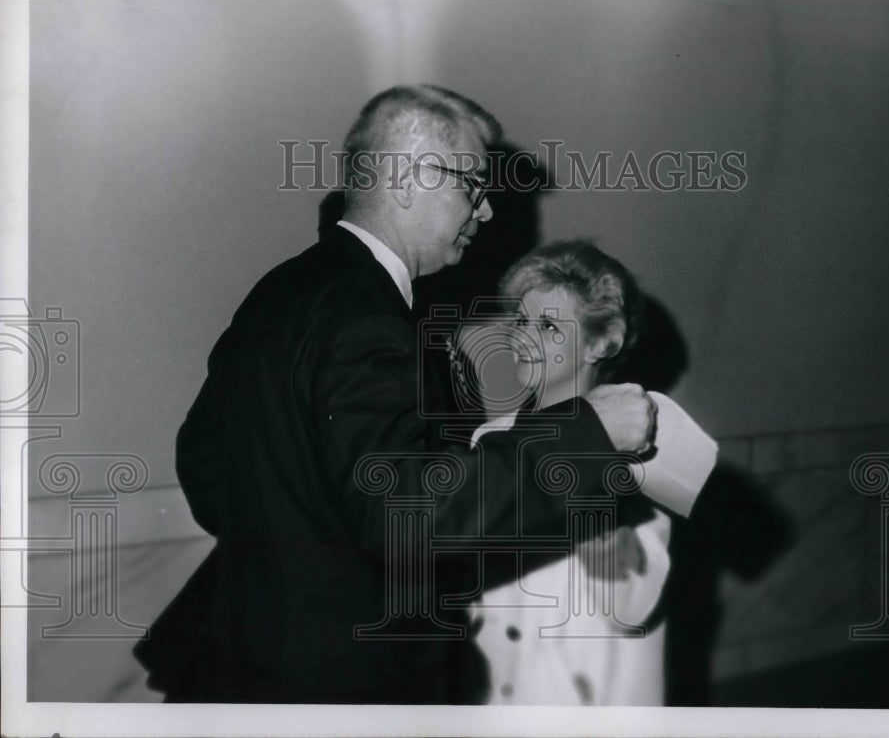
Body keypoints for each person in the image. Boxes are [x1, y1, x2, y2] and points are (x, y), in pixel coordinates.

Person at [133, 85, 658, 704]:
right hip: (339, 680)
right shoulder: (369, 318)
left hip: (245, 655)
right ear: (410, 180)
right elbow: (410, 515)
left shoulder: (283, 289)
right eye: (473, 187)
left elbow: (205, 464)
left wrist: (303, 552)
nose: (485, 212)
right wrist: (589, 434)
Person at [463, 241, 675, 705]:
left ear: (603, 342)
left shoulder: (643, 449)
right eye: (521, 321)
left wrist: (589, 457)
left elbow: (628, 607)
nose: (523, 337)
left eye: (547, 326)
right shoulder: (491, 441)